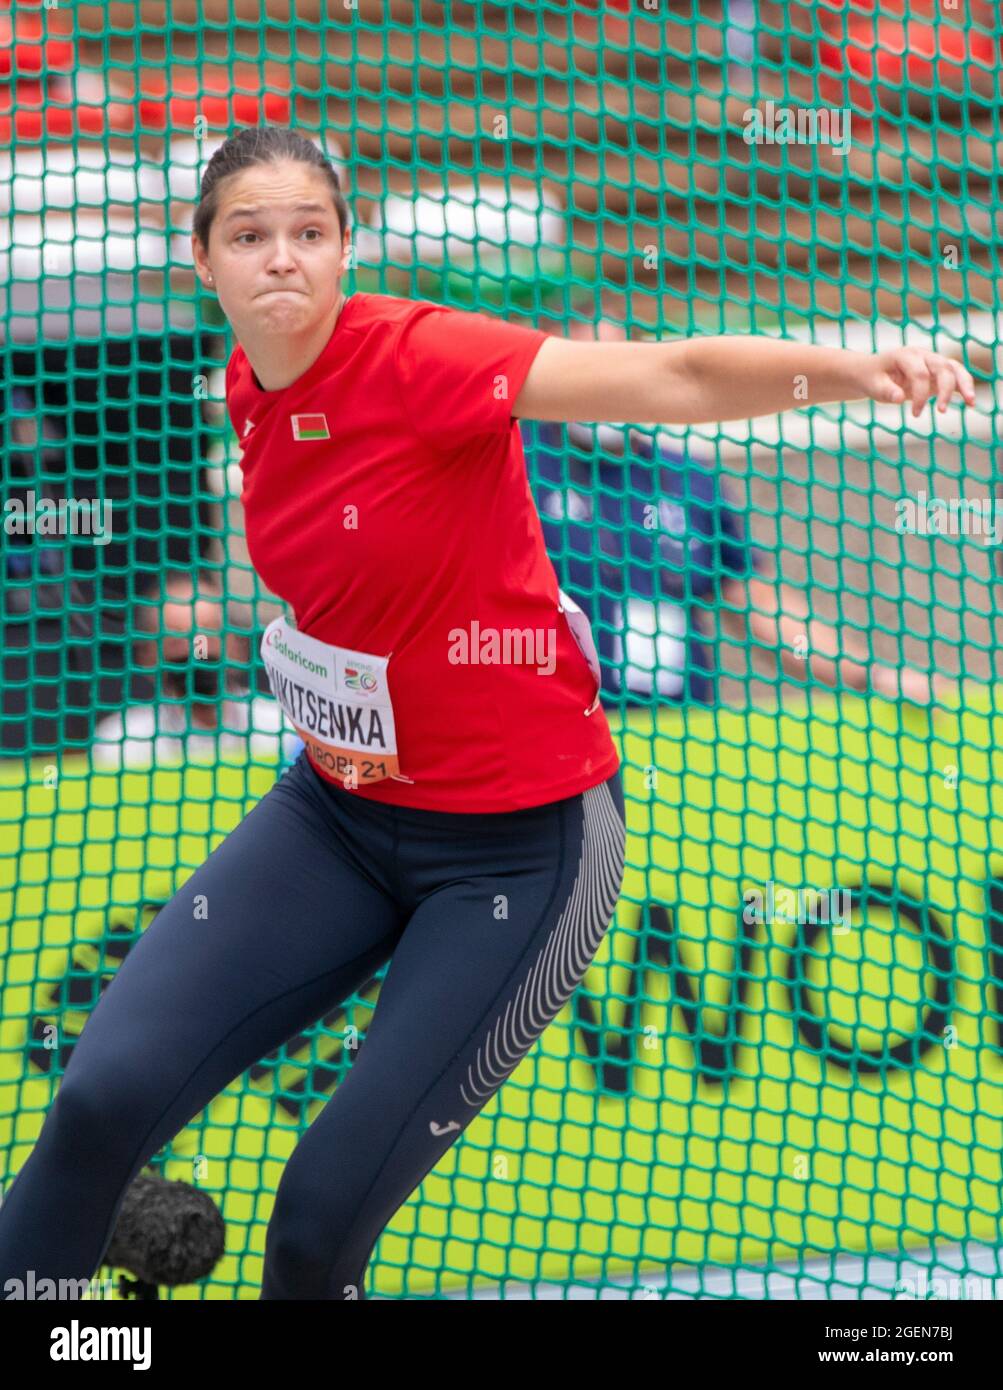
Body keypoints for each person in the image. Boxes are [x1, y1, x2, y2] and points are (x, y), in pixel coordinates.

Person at [0, 125, 974, 1302]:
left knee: (313, 1229)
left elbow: (667, 379)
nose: (281, 261)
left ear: (347, 250)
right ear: (202, 260)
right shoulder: (244, 384)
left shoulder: (421, 354)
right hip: (337, 814)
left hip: (519, 849)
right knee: (99, 1101)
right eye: (248, 237)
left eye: (309, 233)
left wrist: (855, 367)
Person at [523, 322, 948, 709]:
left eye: (615, 367)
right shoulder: (523, 471)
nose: (603, 389)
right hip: (565, 735)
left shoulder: (683, 478)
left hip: (681, 733)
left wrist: (867, 676)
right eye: (589, 370)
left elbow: (758, 604)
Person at [90, 573, 300, 768]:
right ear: (147, 657)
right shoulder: (122, 744)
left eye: (208, 635)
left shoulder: (282, 730)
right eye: (176, 641)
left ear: (236, 645)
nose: (197, 653)